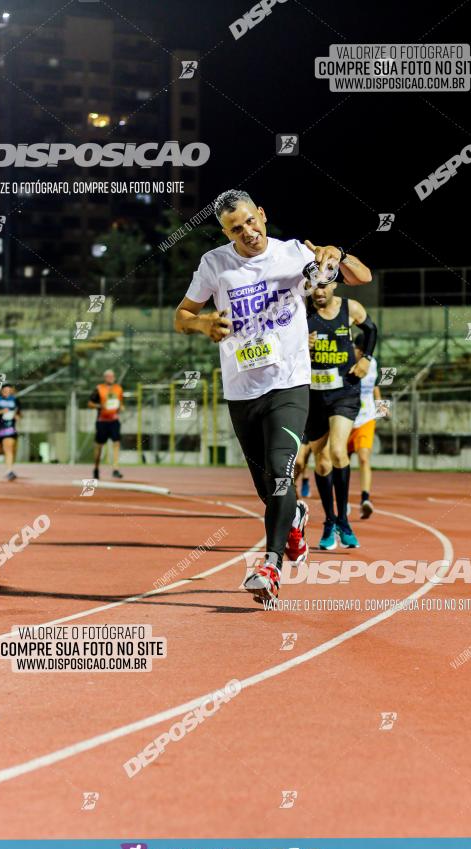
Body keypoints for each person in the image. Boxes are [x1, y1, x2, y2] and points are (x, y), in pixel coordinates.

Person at [174, 189, 371, 602]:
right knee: (270, 488)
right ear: (225, 232)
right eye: (235, 228)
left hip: (290, 383)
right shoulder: (215, 264)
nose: (247, 232)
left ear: (262, 215)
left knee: (282, 473)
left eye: (250, 221)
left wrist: (338, 255)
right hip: (242, 389)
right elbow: (182, 315)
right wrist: (203, 325)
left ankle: (270, 566)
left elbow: (357, 277)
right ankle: (295, 517)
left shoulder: (295, 253)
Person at [305, 279, 378, 551]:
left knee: (338, 451)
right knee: (322, 463)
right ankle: (329, 521)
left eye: (323, 286)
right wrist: (302, 345)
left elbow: (371, 329)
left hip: (344, 392)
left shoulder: (350, 308)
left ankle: (344, 522)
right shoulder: (301, 313)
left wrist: (366, 358)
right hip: (312, 395)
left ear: (333, 285)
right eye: (313, 287)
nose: (318, 292)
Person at [347, 333, 383, 519]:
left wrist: (381, 405)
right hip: (345, 418)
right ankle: (342, 500)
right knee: (341, 462)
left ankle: (365, 499)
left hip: (365, 418)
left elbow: (375, 385)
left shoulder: (373, 363)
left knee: (363, 458)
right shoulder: (346, 362)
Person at [88, 370, 124, 480]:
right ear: (105, 378)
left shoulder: (118, 389)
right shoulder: (99, 389)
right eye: (108, 376)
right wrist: (100, 406)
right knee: (99, 446)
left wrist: (121, 408)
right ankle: (96, 468)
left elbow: (121, 403)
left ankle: (116, 469)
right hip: (102, 421)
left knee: (116, 443)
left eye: (112, 376)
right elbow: (90, 403)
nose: (110, 378)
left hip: (114, 420)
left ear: (114, 377)